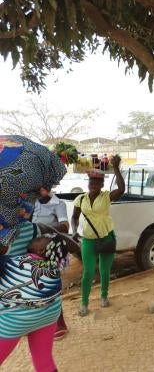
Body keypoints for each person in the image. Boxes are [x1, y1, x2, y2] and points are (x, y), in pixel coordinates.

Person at [0, 233, 71, 371]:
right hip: (48, 318)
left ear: (41, 251)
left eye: (41, 238)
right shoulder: (53, 269)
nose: (38, 236)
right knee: (44, 361)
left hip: (16, 321)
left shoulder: (15, 263)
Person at [71, 155, 125, 316]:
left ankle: (104, 296)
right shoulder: (80, 199)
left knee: (104, 271)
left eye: (96, 183)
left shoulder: (106, 197)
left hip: (106, 238)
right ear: (88, 184)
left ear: (102, 184)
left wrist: (116, 167)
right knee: (87, 272)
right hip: (88, 240)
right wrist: (74, 231)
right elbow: (74, 217)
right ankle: (84, 304)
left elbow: (121, 189)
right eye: (90, 182)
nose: (93, 185)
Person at [32, 186, 70, 340]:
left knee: (50, 287)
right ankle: (40, 323)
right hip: (35, 251)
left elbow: (65, 225)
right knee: (36, 287)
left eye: (43, 187)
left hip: (52, 251)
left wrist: (43, 228)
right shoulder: (34, 203)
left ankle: (60, 324)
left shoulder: (58, 204)